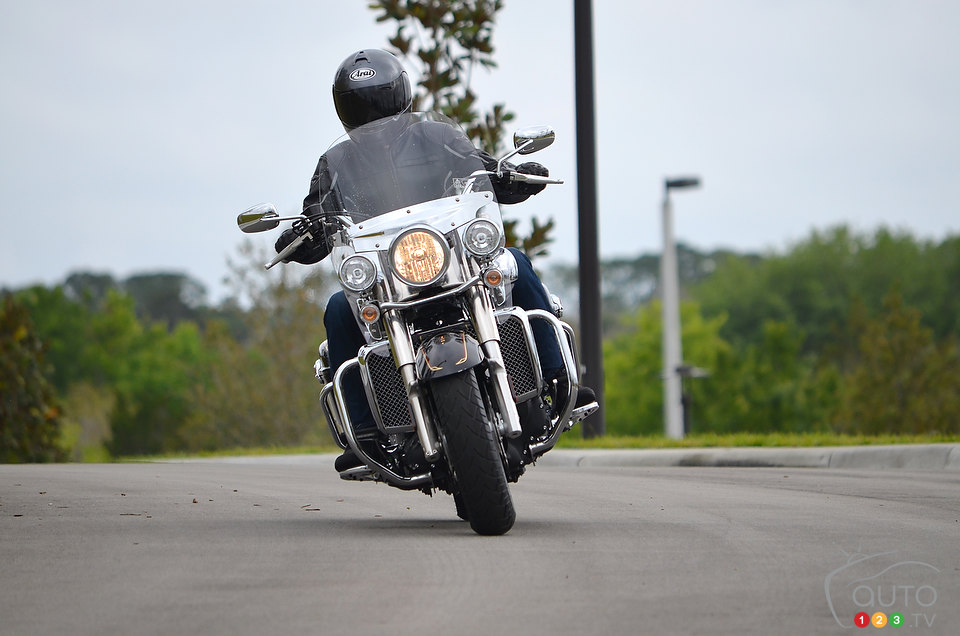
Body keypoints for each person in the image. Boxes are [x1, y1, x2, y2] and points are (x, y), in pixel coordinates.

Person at [275, 49, 593, 467]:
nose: (371, 113)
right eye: (360, 104)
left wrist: (511, 176)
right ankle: (364, 433)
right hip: (389, 276)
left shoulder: (437, 136)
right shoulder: (335, 164)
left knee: (513, 262)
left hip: (452, 259)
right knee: (339, 307)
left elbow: (480, 170)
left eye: (377, 99)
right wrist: (304, 233)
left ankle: (557, 376)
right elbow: (318, 212)